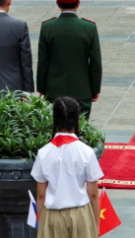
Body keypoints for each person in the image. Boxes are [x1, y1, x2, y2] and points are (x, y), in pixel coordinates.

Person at [31, 97, 103, 238]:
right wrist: (96, 224)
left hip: (52, 216)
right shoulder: (86, 152)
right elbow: (93, 193)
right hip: (80, 214)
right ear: (76, 121)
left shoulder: (43, 153)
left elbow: (41, 195)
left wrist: (42, 223)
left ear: (55, 120)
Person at [37, 0, 102, 118]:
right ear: (78, 3)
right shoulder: (89, 28)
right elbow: (95, 62)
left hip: (54, 91)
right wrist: (95, 88)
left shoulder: (47, 27)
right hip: (82, 91)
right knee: (80, 131)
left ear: (57, 3)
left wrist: (42, 89)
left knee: (55, 131)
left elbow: (43, 61)